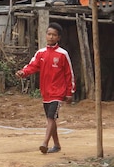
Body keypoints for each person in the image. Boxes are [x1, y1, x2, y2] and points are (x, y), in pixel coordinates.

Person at [16, 22, 75, 154]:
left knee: (50, 118)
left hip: (58, 92)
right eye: (49, 34)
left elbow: (68, 74)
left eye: (54, 35)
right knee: (51, 118)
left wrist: (70, 92)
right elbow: (32, 66)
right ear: (46, 35)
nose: (51, 37)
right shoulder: (41, 53)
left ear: (59, 37)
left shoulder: (62, 54)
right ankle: (57, 145)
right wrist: (23, 73)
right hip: (45, 92)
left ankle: (45, 143)